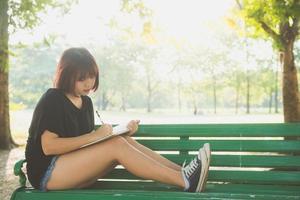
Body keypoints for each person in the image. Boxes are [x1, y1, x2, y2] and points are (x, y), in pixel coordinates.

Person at [25, 47, 211, 193]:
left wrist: (121, 131)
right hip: (46, 173)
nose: (89, 83)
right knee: (116, 145)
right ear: (66, 76)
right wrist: (95, 136)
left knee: (122, 141)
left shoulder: (86, 102)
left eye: (92, 76)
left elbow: (84, 147)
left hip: (69, 168)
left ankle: (183, 173)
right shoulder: (53, 98)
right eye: (82, 79)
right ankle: (185, 181)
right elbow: (49, 146)